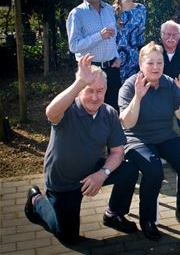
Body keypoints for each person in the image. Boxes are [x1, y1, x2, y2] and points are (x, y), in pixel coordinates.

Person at [24, 55, 139, 244]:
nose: (95, 97)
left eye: (100, 91)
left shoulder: (109, 113)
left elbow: (118, 153)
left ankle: (113, 214)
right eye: (89, 90)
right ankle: (36, 201)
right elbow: (50, 112)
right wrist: (79, 82)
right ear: (79, 91)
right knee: (69, 238)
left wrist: (102, 174)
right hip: (63, 183)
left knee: (130, 170)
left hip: (92, 171)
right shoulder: (67, 109)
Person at [118, 42, 180, 240]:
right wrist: (138, 97)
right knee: (154, 171)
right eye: (150, 63)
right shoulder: (129, 86)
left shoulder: (169, 83)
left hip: (165, 135)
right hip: (137, 139)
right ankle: (147, 219)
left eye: (159, 62)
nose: (155, 67)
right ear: (141, 64)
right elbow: (127, 123)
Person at [67, 0, 122, 111]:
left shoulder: (109, 9)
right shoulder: (77, 14)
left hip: (112, 69)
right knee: (90, 110)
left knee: (113, 110)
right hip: (90, 71)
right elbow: (74, 46)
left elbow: (113, 38)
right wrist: (99, 36)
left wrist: (117, 56)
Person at [113, 0, 147, 82]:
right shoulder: (111, 11)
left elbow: (141, 35)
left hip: (134, 58)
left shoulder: (141, 9)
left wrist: (142, 58)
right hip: (116, 59)